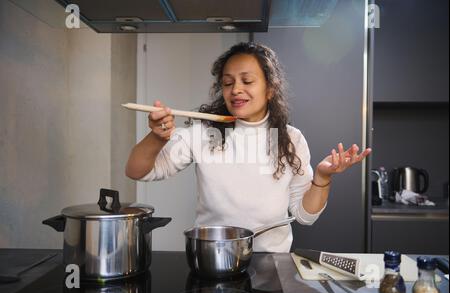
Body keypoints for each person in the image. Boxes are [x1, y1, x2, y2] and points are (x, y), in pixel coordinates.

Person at [125, 42, 371, 252]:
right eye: (228, 83)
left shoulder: (290, 139)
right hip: (212, 258)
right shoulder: (205, 132)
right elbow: (138, 171)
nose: (236, 90)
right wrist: (157, 137)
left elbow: (305, 216)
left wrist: (322, 177)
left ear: (270, 90)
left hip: (272, 262)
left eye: (247, 81)